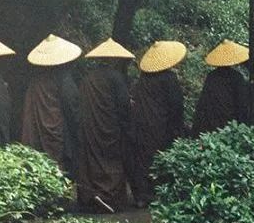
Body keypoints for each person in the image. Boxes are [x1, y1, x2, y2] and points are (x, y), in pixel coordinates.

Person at [126, 41, 187, 207]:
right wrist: (177, 127)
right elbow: (176, 105)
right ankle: (158, 193)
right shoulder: (169, 79)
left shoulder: (143, 79)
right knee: (160, 158)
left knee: (142, 159)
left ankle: (142, 195)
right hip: (161, 126)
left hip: (141, 123)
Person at [75, 38, 133, 211]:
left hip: (90, 125)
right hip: (110, 126)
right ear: (114, 59)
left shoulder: (87, 78)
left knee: (92, 160)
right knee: (111, 160)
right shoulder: (116, 77)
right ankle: (109, 197)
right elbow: (123, 105)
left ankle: (92, 194)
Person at [20, 34, 83, 175]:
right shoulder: (64, 79)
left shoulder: (35, 80)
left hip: (36, 134)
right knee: (59, 169)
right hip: (57, 134)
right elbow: (72, 108)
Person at [192, 40, 249, 134]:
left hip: (211, 120)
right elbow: (242, 103)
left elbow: (204, 101)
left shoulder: (211, 76)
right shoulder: (237, 77)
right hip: (230, 122)